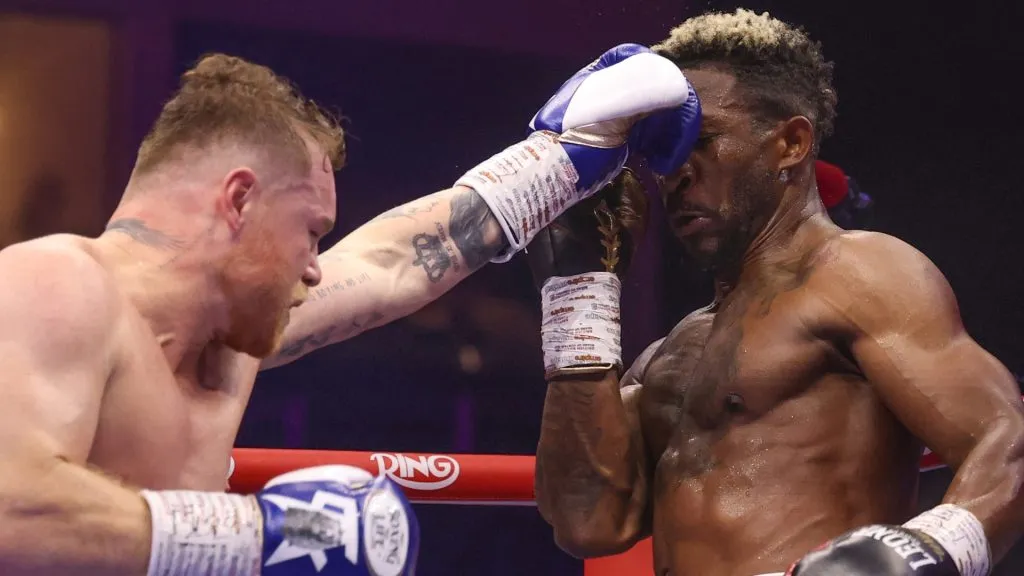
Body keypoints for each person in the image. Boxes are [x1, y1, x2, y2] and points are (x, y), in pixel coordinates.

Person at [0, 44, 700, 575]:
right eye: (309, 230)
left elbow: (388, 264)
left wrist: (558, 160)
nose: (313, 266)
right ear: (239, 199)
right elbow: (11, 508)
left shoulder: (228, 340)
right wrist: (259, 536)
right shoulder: (55, 285)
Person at [528, 9, 1024, 576]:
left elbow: (1009, 442)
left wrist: (922, 553)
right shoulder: (670, 352)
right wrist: (579, 295)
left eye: (703, 140)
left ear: (790, 144)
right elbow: (587, 522)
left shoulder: (860, 275)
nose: (675, 173)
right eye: (663, 152)